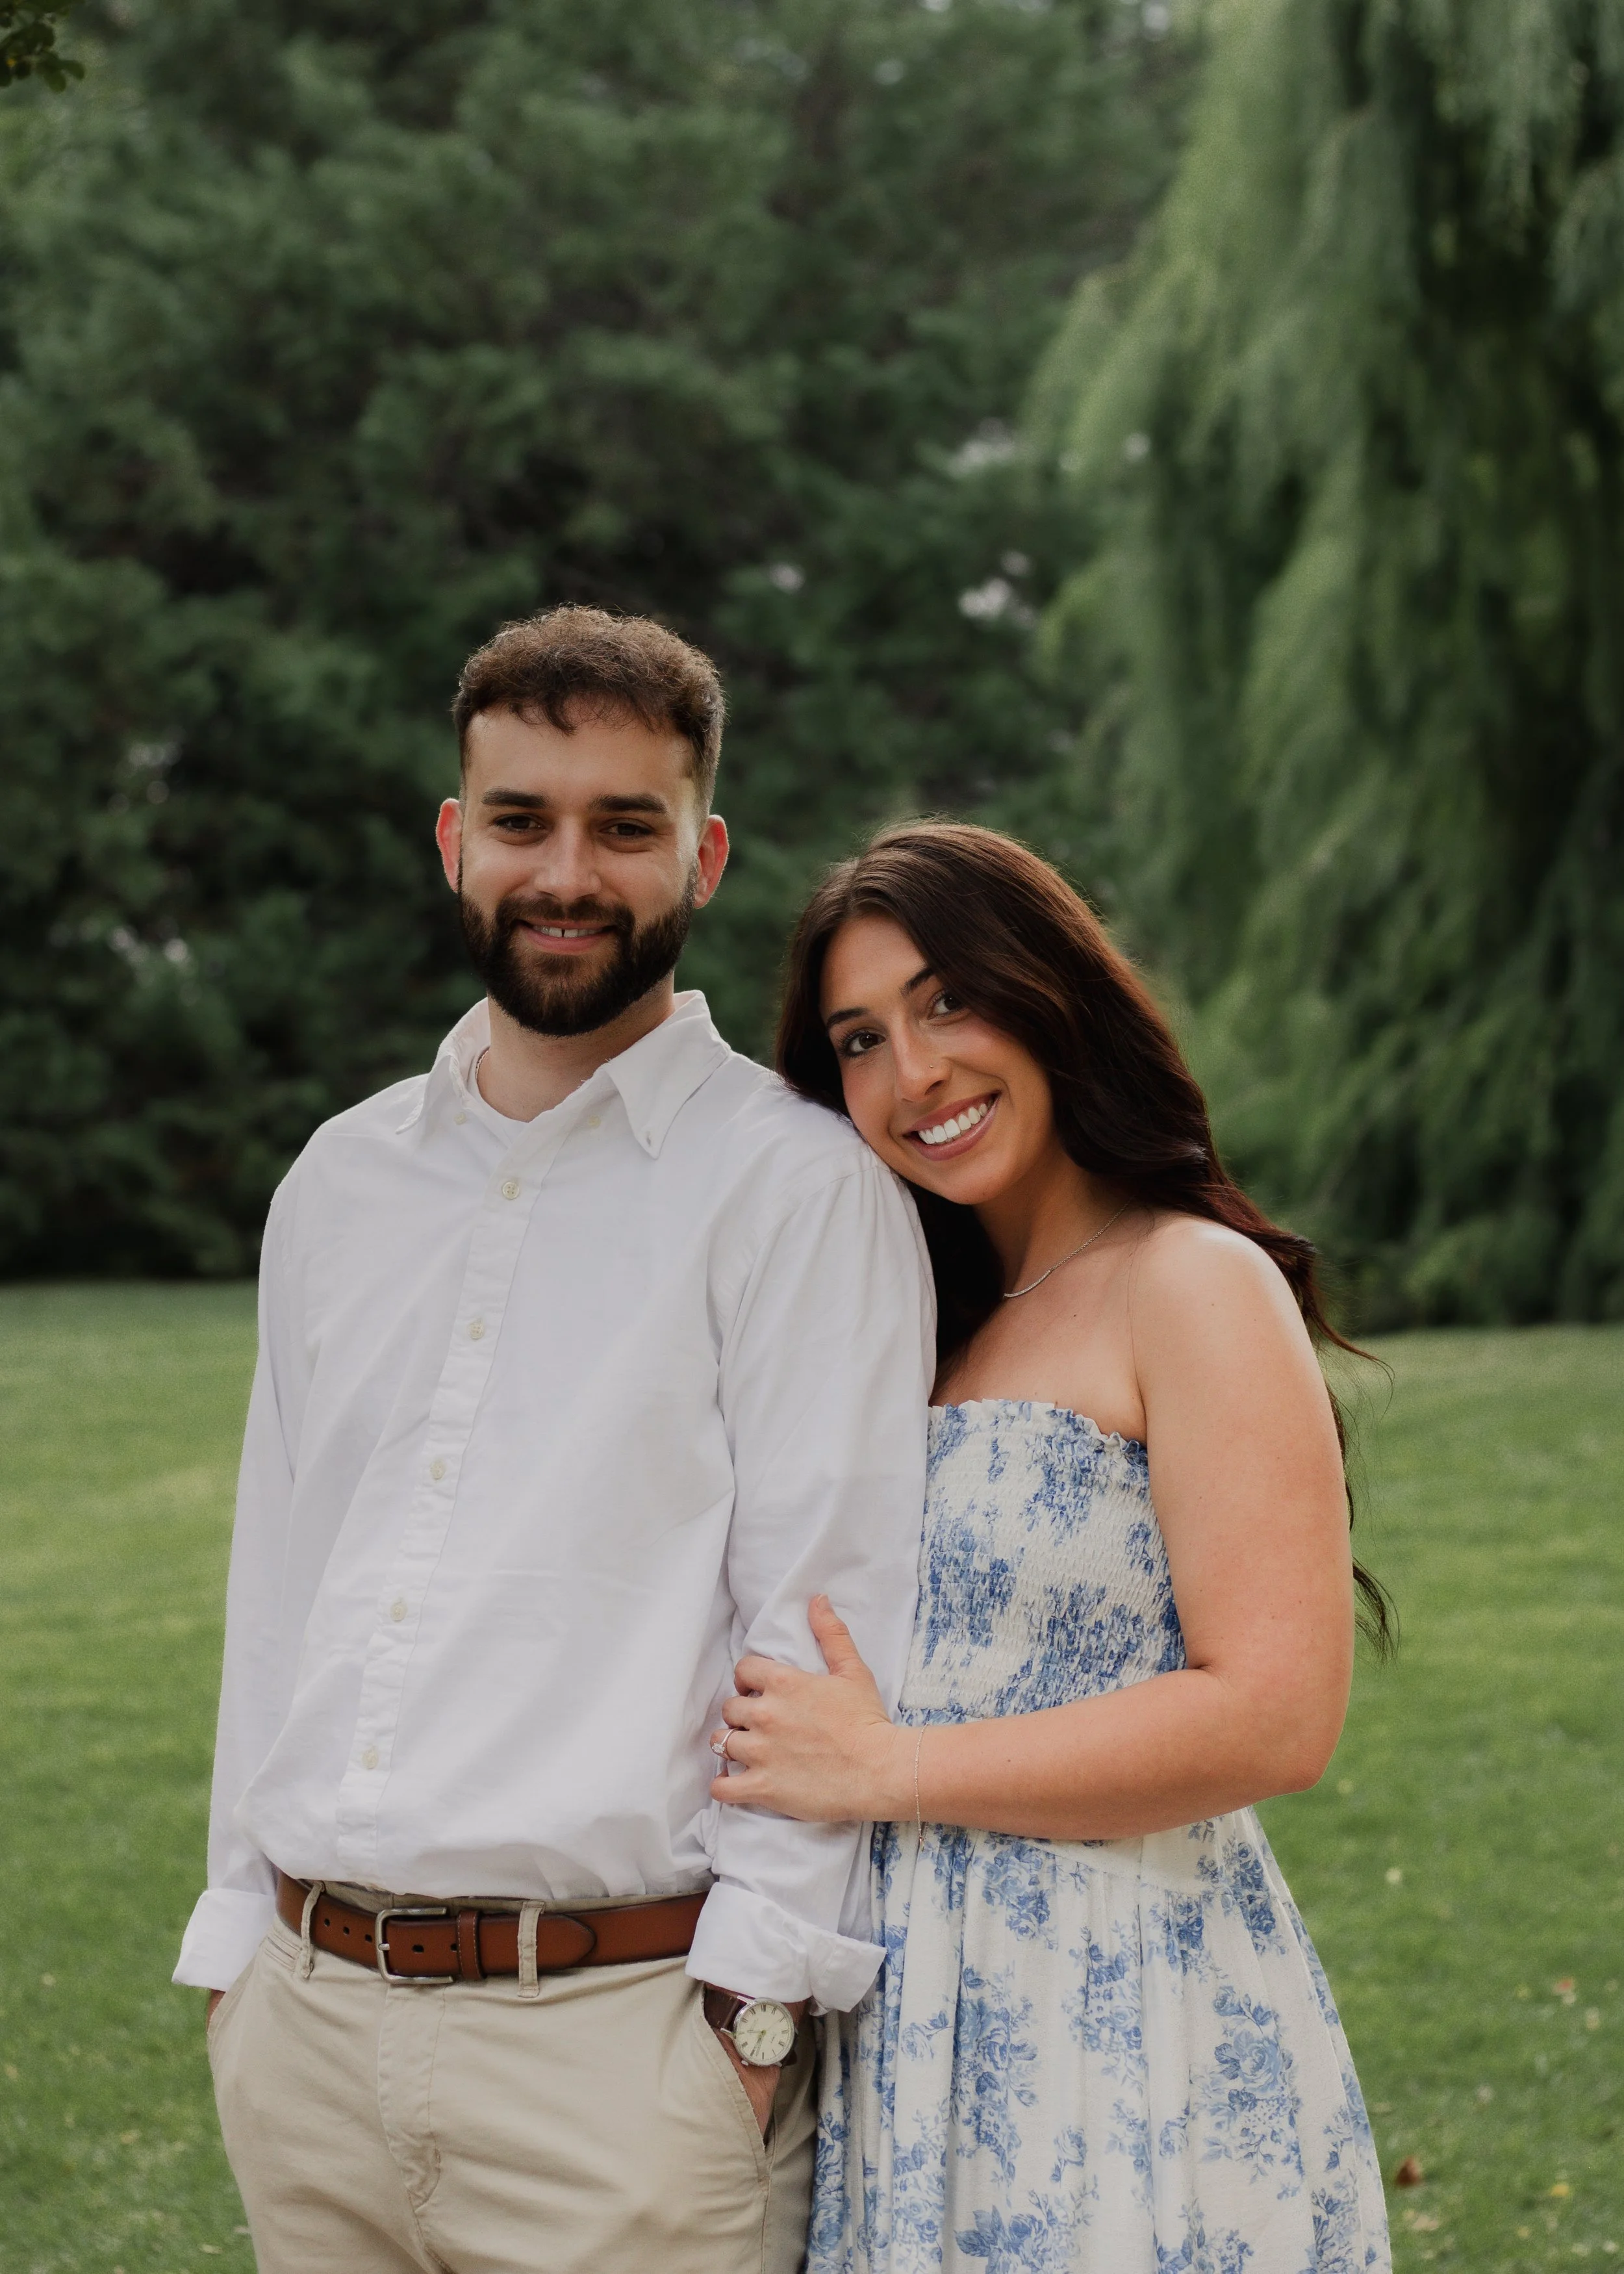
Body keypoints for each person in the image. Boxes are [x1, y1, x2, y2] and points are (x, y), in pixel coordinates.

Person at [173, 607, 935, 2274]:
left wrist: (740, 2034)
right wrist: (239, 1943)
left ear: (705, 853)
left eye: (624, 826)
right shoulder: (341, 1179)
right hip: (305, 2037)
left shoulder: (794, 1186)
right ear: (457, 840)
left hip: (619, 2058)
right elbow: (280, 1585)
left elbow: (825, 1612)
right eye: (522, 820)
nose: (567, 872)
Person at [705, 822, 1393, 2273]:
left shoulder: (1185, 1281)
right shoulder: (927, 1324)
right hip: (919, 2018)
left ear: (1049, 987)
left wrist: (893, 1767)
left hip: (1122, 2005)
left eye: (948, 999)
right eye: (858, 1039)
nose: (913, 1073)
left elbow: (1276, 1711)